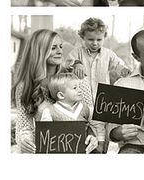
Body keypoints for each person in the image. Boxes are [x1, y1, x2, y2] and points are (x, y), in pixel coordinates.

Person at [12, 29, 94, 153]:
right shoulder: (25, 86)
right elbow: (24, 126)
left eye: (60, 46)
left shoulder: (77, 79)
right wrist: (25, 140)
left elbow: (91, 118)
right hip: (45, 147)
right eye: (53, 48)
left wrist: (93, 136)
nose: (60, 51)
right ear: (39, 51)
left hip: (77, 146)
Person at [65, 18, 131, 153]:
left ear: (104, 38)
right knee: (84, 138)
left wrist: (123, 70)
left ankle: (101, 151)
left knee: (101, 137)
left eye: (99, 40)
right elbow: (68, 63)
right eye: (90, 39)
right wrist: (76, 63)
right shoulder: (77, 53)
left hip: (102, 103)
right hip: (81, 103)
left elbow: (118, 64)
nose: (95, 43)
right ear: (83, 37)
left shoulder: (108, 54)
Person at [38, 73, 99, 153]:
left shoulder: (84, 108)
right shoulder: (50, 111)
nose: (80, 90)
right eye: (75, 88)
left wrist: (94, 137)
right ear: (61, 95)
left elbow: (96, 125)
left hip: (84, 149)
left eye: (79, 87)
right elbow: (45, 137)